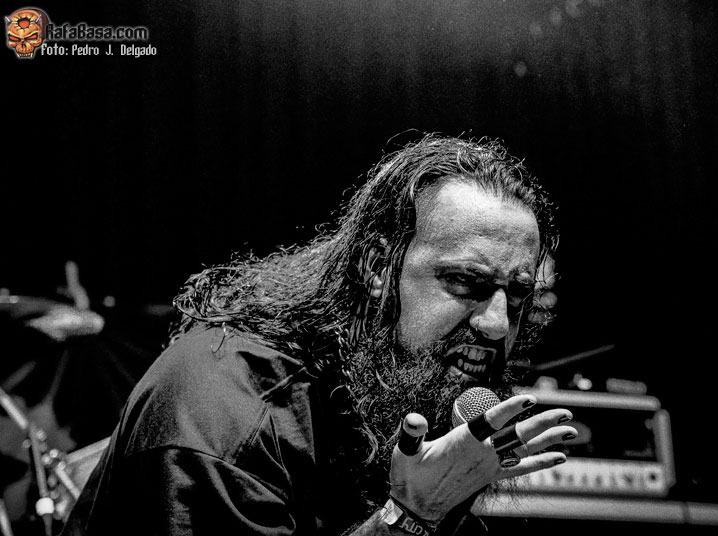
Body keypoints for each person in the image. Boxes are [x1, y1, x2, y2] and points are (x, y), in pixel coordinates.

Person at [61, 134, 578, 535]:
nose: (498, 323)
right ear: (376, 267)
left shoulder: (386, 391)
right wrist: (411, 517)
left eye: (517, 293)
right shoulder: (226, 409)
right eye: (466, 281)